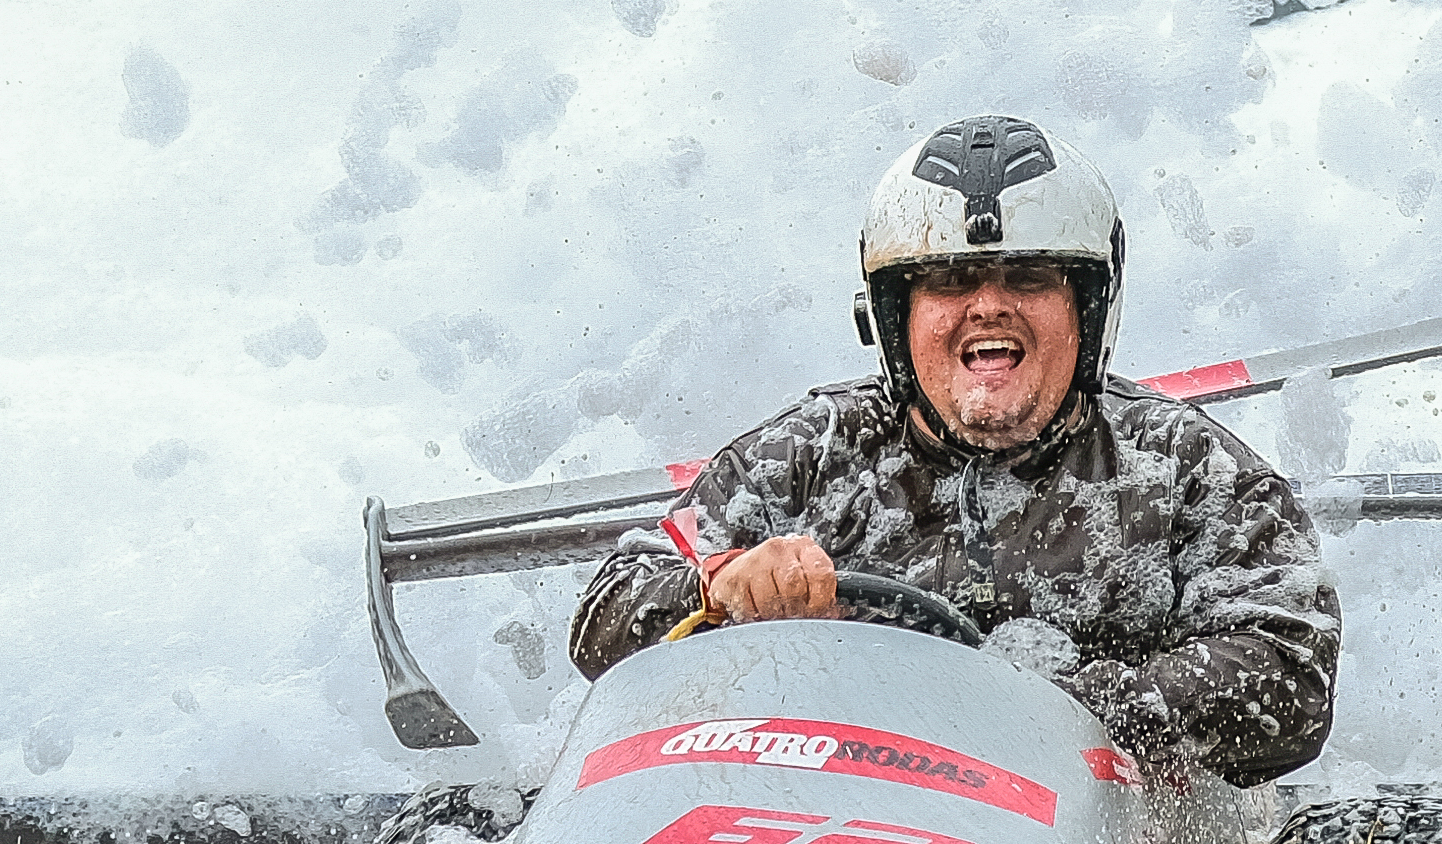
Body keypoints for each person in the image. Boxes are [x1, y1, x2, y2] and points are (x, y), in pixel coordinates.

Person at [570, 117, 1341, 788]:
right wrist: (719, 587)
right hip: (824, 832)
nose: (989, 304)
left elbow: (1290, 669)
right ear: (894, 318)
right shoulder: (806, 454)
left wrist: (1072, 709)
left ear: (1089, 308)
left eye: (1030, 277)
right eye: (948, 280)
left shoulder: (1183, 467)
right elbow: (606, 612)